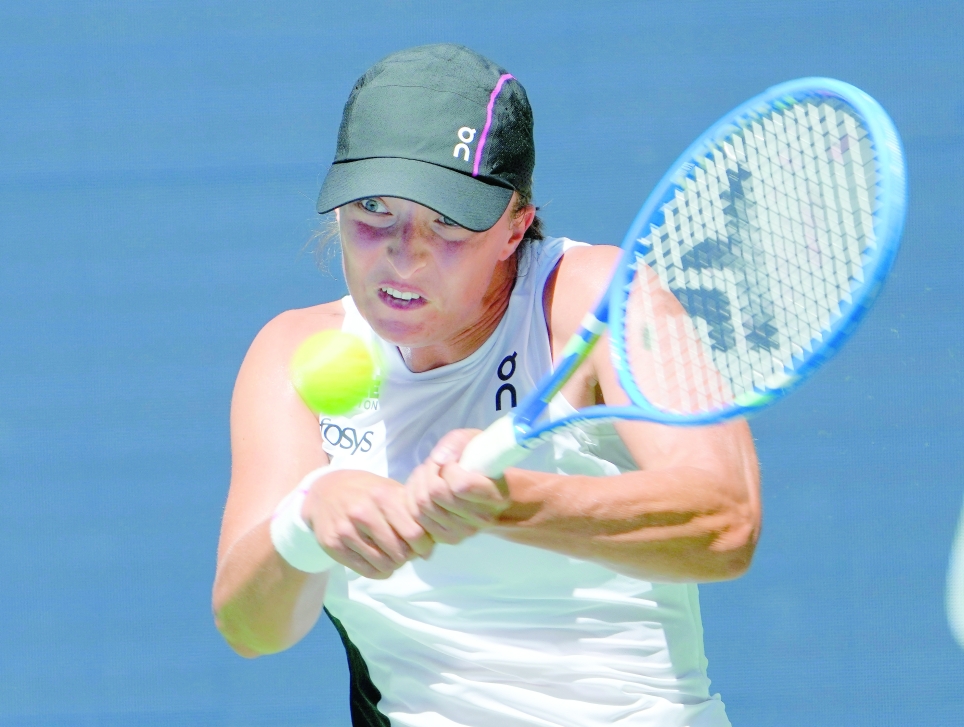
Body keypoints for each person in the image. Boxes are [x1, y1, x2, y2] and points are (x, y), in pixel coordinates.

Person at [212, 43, 760, 727]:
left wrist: (512, 503)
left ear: (515, 225)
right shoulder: (291, 353)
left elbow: (726, 520)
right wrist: (305, 520)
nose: (403, 253)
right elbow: (249, 627)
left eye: (447, 220)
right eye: (374, 207)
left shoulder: (593, 301)